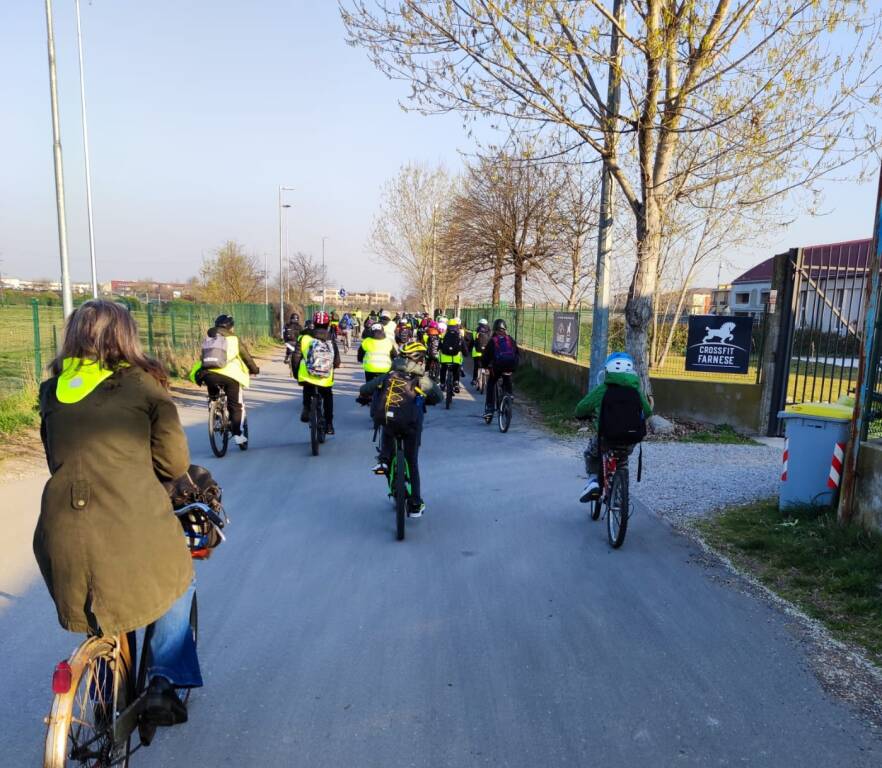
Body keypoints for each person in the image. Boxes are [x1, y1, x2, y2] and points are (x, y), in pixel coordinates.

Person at [35, 300, 200, 727]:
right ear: (125, 336)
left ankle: (106, 684)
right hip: (131, 521)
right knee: (178, 579)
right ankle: (163, 683)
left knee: (102, 600)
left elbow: (56, 458)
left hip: (60, 530)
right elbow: (173, 464)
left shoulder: (52, 391)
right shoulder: (143, 385)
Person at [358, 341, 442, 517]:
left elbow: (365, 388)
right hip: (411, 425)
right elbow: (439, 397)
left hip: (390, 423)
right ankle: (415, 504)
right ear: (419, 361)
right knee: (412, 462)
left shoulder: (389, 375)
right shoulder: (421, 380)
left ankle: (384, 460)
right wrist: (428, 398)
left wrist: (365, 396)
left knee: (388, 423)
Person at [575, 352, 652, 502]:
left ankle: (592, 482)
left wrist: (583, 415)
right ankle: (620, 493)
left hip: (606, 439)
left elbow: (580, 409)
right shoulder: (635, 389)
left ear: (607, 370)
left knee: (591, 454)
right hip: (631, 438)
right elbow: (648, 411)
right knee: (622, 460)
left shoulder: (602, 389)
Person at [192, 314, 259, 445]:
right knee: (236, 406)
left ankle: (215, 411)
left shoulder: (208, 338)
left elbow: (203, 358)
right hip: (230, 376)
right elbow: (246, 357)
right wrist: (254, 369)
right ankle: (238, 436)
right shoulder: (234, 339)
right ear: (230, 327)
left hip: (209, 375)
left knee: (213, 396)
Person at [293, 311, 341, 435]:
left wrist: (296, 374)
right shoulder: (331, 338)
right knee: (328, 396)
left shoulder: (304, 337)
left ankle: (306, 409)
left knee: (307, 389)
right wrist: (332, 367)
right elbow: (337, 361)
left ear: (314, 323)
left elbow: (296, 357)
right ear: (328, 324)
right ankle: (329, 424)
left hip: (307, 375)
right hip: (325, 378)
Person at [481, 318, 520, 421]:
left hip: (497, 367)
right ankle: (510, 395)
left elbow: (486, 356)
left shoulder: (493, 341)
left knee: (491, 383)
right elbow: (517, 353)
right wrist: (515, 366)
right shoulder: (510, 339)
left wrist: (485, 366)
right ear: (505, 328)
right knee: (507, 376)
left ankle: (489, 408)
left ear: (494, 329)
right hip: (511, 366)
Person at [439, 317, 465, 393]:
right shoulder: (459, 335)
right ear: (456, 326)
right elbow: (463, 346)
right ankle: (456, 383)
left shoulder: (443, 334)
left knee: (443, 369)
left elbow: (440, 345)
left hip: (445, 357)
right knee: (456, 369)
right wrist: (466, 353)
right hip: (456, 358)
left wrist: (438, 350)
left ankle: (442, 383)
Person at [468, 318, 491, 386]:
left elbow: (471, 343)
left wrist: (469, 349)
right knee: (486, 364)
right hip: (486, 353)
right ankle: (487, 372)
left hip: (476, 353)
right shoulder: (490, 333)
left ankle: (474, 379)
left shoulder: (475, 332)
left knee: (476, 366)